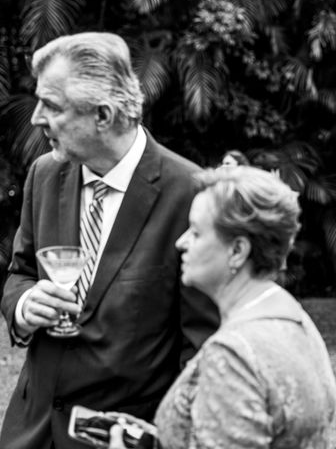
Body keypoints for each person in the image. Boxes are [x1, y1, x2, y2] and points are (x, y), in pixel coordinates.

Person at [0, 32, 219, 449]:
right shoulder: (44, 174)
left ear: (103, 115)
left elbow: (201, 348)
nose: (35, 118)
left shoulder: (191, 194)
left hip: (120, 437)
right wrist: (26, 305)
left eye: (52, 105)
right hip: (30, 430)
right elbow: (20, 273)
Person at [108, 165, 336, 448]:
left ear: (237, 251)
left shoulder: (232, 355)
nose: (181, 243)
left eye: (195, 232)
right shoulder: (294, 317)